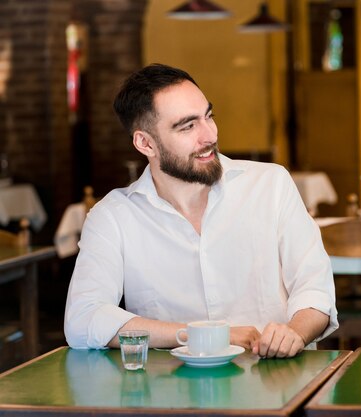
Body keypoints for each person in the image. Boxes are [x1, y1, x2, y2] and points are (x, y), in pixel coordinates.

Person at [64, 63, 338, 358]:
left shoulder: (271, 184)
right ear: (145, 143)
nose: (209, 135)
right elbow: (83, 320)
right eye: (188, 126)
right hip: (170, 392)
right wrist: (202, 335)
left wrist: (294, 333)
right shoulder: (113, 217)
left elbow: (315, 290)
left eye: (209, 116)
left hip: (277, 380)